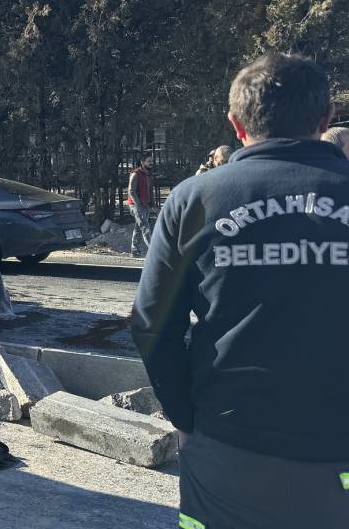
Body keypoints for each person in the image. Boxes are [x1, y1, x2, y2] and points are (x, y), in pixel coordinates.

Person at [131, 53, 349, 529]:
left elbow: (151, 323)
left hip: (227, 443)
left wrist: (185, 415)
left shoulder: (195, 199)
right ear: (326, 118)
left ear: (235, 124)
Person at [126, 153, 155, 256]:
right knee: (145, 228)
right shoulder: (135, 174)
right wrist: (138, 205)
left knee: (138, 229)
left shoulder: (148, 175)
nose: (151, 163)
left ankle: (134, 251)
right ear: (142, 162)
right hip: (136, 205)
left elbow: (149, 191)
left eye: (152, 161)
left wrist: (152, 204)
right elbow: (131, 191)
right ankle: (155, 253)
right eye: (148, 161)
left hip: (145, 206)